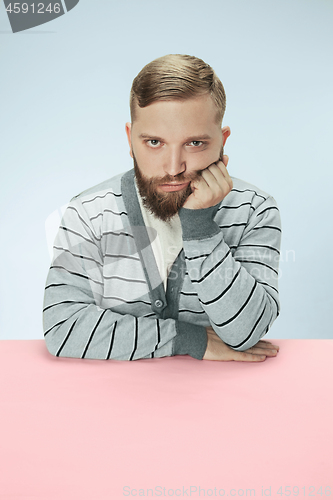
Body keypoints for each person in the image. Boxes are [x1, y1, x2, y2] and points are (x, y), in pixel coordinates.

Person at [43, 54, 281, 362]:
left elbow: (245, 334)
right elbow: (63, 328)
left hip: (221, 401)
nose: (173, 168)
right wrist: (185, 338)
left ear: (222, 142)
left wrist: (201, 228)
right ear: (131, 140)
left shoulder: (255, 210)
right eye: (154, 142)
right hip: (110, 400)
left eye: (194, 143)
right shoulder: (88, 212)